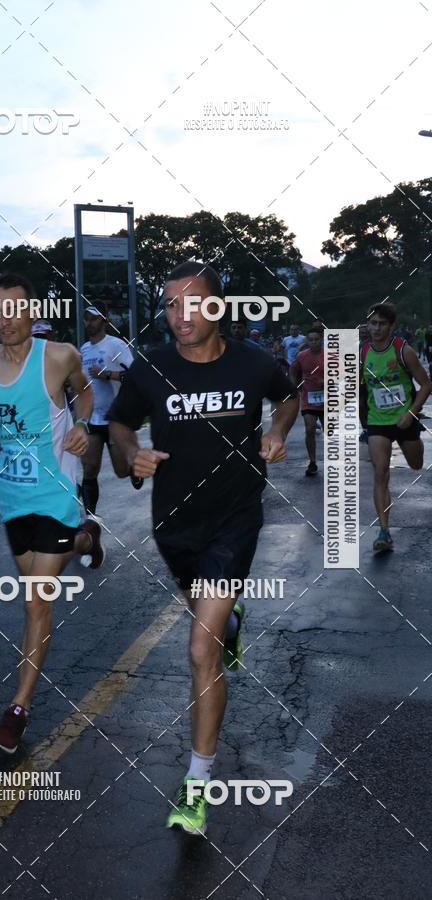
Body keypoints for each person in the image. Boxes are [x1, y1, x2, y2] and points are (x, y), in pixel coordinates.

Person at [108, 261, 299, 835]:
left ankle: (196, 785)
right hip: (174, 524)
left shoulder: (253, 361)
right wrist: (130, 458)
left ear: (217, 308)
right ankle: (230, 618)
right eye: (169, 305)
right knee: (211, 624)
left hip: (234, 519)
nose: (178, 315)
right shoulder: (152, 368)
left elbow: (288, 396)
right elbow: (118, 428)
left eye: (191, 304)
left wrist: (277, 430)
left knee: (198, 650)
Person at [0, 273, 105, 754]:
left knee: (35, 602)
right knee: (42, 577)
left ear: (31, 311)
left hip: (56, 492)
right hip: (13, 500)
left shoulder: (60, 355)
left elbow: (85, 393)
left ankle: (18, 709)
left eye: (14, 308)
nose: (5, 318)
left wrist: (82, 424)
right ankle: (86, 537)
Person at [360, 302, 431, 554]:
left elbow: (426, 384)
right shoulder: (362, 352)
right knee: (380, 473)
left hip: (405, 420)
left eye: (381, 324)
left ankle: (416, 443)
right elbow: (357, 388)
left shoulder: (403, 351)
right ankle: (383, 532)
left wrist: (411, 413)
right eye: (372, 323)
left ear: (392, 326)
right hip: (377, 422)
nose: (376, 328)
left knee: (415, 463)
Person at [79, 301, 134, 516]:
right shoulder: (83, 349)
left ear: (104, 320)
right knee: (90, 468)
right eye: (86, 318)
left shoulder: (116, 345)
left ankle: (133, 468)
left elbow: (135, 375)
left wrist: (107, 374)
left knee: (120, 471)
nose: (89, 323)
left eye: (93, 318)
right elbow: (83, 383)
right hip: (93, 418)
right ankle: (91, 520)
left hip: (115, 418)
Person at [290, 328, 325, 476]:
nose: (314, 342)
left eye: (316, 339)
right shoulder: (301, 356)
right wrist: (294, 388)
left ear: (321, 340)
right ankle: (312, 461)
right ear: (307, 341)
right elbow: (293, 372)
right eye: (311, 339)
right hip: (308, 399)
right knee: (310, 428)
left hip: (328, 399)